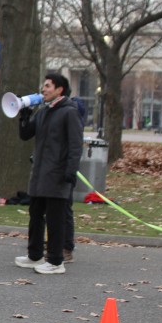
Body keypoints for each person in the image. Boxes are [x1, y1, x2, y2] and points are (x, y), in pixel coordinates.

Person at [14, 73, 83, 275]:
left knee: (55, 219)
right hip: (40, 173)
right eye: (43, 86)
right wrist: (24, 116)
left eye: (47, 86)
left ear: (59, 90)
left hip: (57, 174)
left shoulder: (69, 112)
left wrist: (70, 171)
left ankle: (55, 261)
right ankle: (34, 255)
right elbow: (26, 134)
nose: (43, 89)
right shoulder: (43, 111)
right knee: (35, 215)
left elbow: (76, 145)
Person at [63, 93, 88, 263]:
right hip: (54, 169)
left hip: (66, 171)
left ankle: (66, 248)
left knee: (65, 209)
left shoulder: (73, 118)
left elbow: (74, 148)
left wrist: (70, 172)